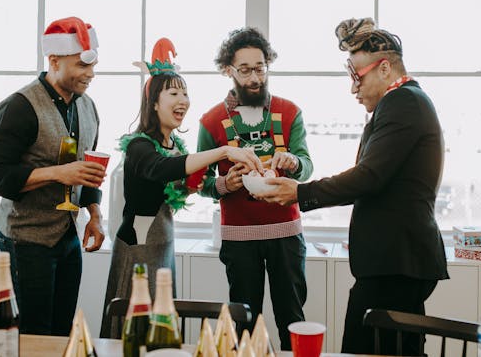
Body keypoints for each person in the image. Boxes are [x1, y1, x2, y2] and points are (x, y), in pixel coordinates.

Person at [259, 18, 449, 356]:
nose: (353, 89)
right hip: (395, 262)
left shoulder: (403, 103)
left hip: (396, 264)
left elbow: (369, 176)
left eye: (357, 77)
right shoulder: (406, 102)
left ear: (385, 69)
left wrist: (299, 192)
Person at [100, 38, 264, 339]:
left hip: (164, 240)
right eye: (173, 93)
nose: (183, 100)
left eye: (185, 93)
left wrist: (227, 182)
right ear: (153, 103)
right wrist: (224, 151)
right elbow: (162, 169)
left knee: (161, 319)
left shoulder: (175, 146)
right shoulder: (138, 146)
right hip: (139, 243)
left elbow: (190, 184)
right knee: (137, 325)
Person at [0, 16, 107, 336]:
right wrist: (59, 173)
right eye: (81, 66)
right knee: (36, 334)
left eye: (92, 66)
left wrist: (94, 214)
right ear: (54, 61)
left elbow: (88, 168)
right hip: (26, 240)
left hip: (68, 238)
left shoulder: (88, 107)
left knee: (63, 331)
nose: (91, 74)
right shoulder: (18, 107)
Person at [197, 28, 313, 350]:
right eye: (244, 69)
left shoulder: (290, 112)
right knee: (244, 323)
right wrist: (224, 183)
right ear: (228, 71)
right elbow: (199, 182)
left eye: (260, 68)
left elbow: (307, 164)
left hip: (286, 233)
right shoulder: (211, 122)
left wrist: (293, 161)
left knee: (292, 318)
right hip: (239, 238)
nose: (254, 78)